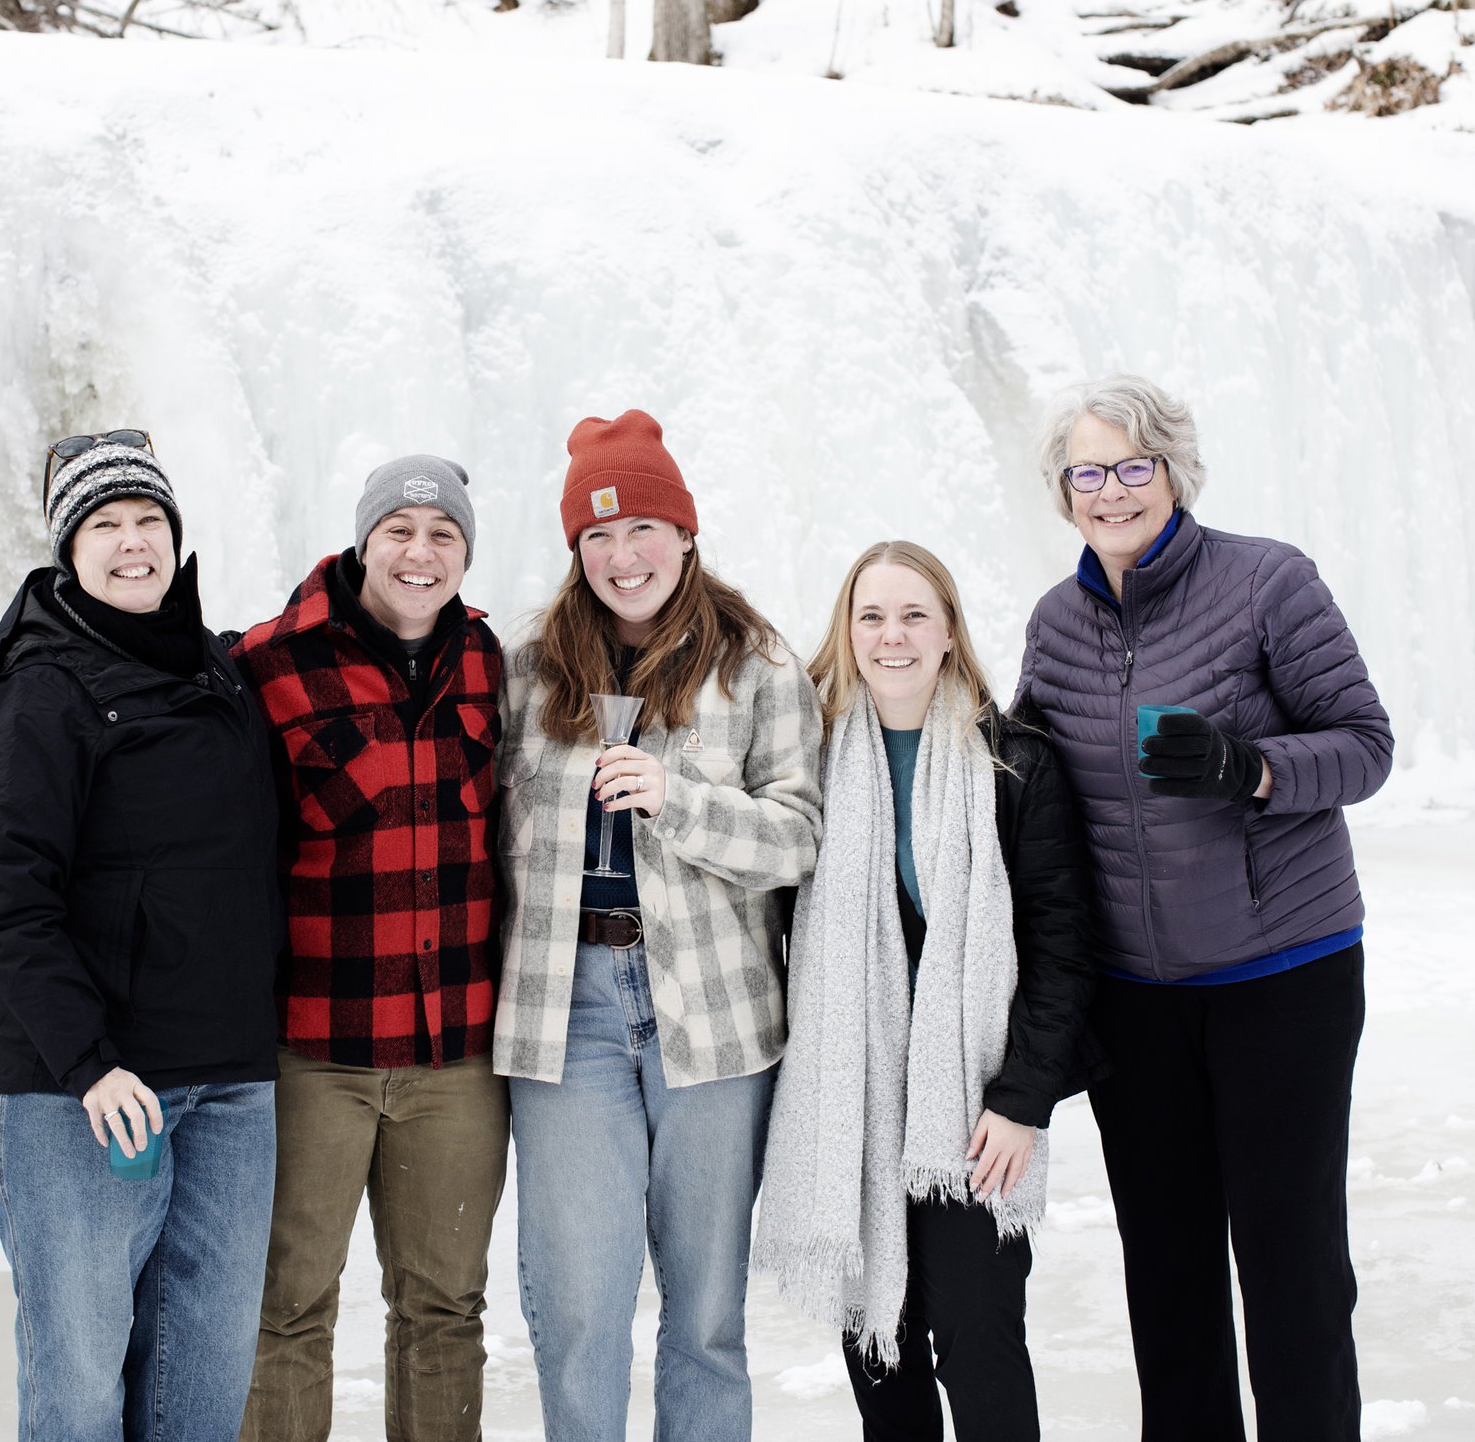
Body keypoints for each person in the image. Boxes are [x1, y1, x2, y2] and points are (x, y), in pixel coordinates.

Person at [1014, 377, 1394, 1442]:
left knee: (1289, 1263)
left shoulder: (1268, 582)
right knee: (1168, 1273)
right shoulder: (1055, 623)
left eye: (1134, 465)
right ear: (1063, 492)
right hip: (1136, 995)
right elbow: (1023, 775)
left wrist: (1249, 766)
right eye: (1087, 471)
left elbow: (1364, 744)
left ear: (1175, 471)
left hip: (1284, 977)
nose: (1111, 489)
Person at [494, 410, 824, 1442]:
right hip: (565, 1014)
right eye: (596, 534)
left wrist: (677, 798)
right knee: (579, 1306)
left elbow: (801, 837)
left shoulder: (757, 664)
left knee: (708, 1312)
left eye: (641, 525)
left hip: (716, 1013)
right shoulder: (526, 670)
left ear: (685, 532)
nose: (620, 554)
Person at [0, 430, 285, 1442]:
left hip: (227, 1075)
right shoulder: (40, 685)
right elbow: (7, 898)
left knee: (205, 1366)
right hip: (85, 1090)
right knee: (80, 1371)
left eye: (149, 520)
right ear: (69, 548)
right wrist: (89, 1062)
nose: (132, 542)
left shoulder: (219, 668)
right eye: (104, 524)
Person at [757, 540, 1095, 1442]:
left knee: (982, 1356)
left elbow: (1063, 949)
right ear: (847, 630)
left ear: (949, 630)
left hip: (974, 1116)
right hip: (852, 1112)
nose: (891, 635)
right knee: (884, 1366)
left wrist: (1022, 1100)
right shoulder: (813, 763)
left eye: (914, 615)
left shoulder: (1015, 761)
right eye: (871, 616)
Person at [231, 455, 508, 1442]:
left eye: (444, 534)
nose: (420, 551)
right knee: (285, 1306)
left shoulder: (489, 662)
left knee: (443, 1309)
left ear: (466, 551)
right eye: (400, 529)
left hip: (456, 1054)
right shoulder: (266, 663)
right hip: (314, 1048)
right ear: (363, 539)